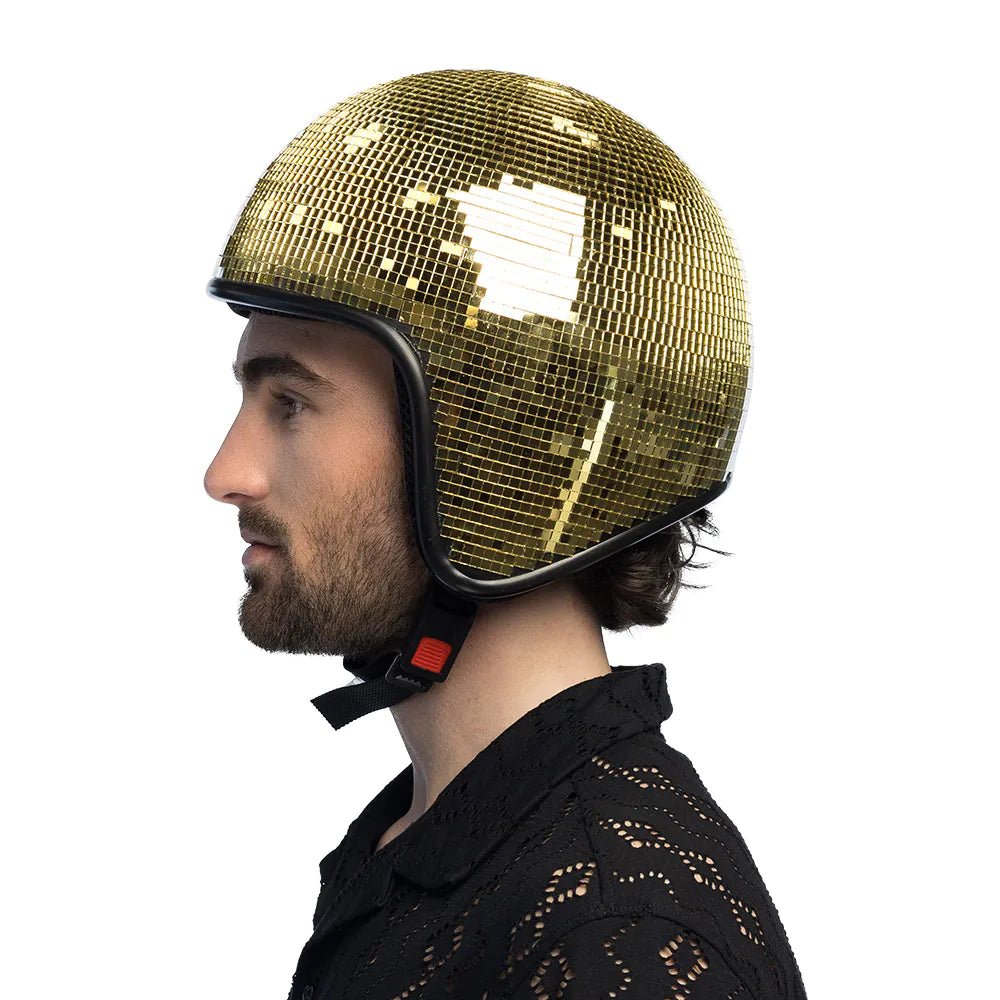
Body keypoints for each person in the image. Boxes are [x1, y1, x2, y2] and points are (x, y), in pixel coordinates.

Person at [203, 68, 808, 998]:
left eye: (290, 404)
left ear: (497, 452)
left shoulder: (612, 938)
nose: (225, 473)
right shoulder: (440, 839)